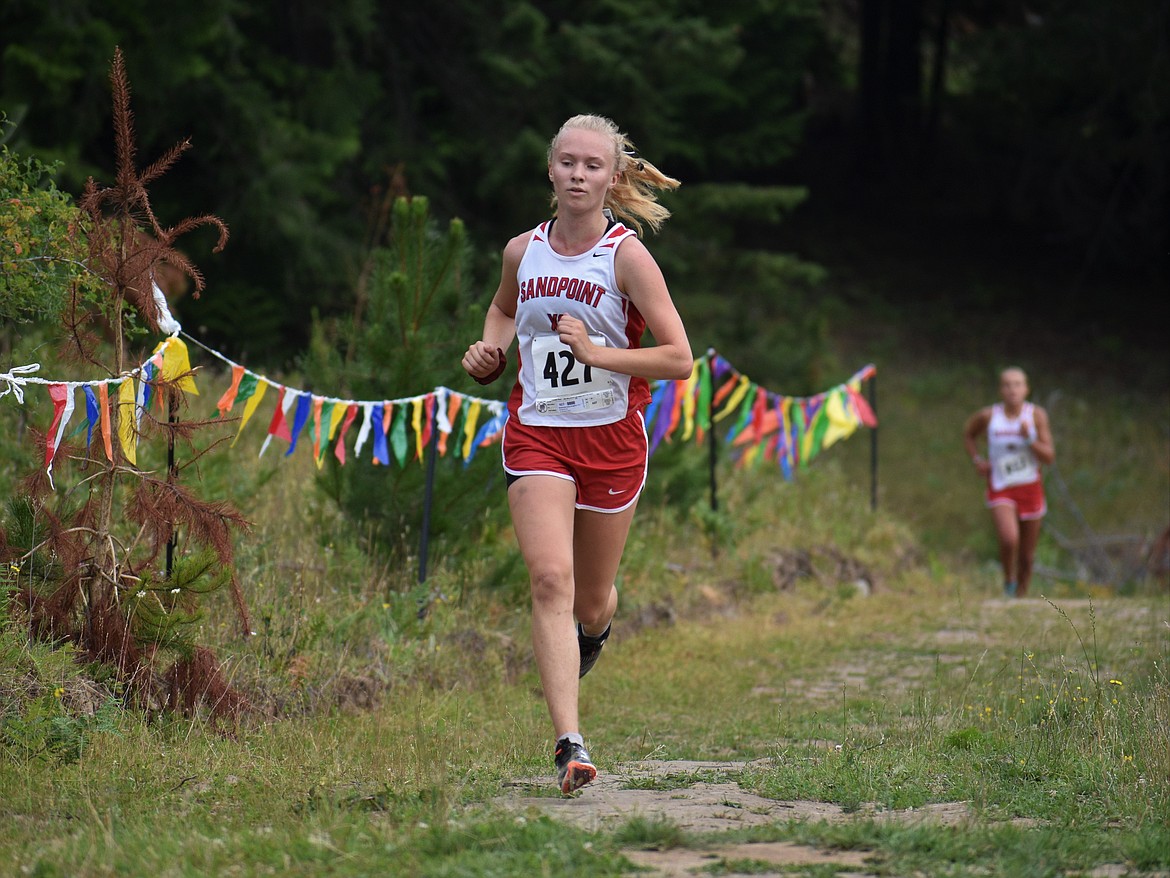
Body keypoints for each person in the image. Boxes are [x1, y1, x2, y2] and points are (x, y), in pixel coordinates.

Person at [462, 115, 692, 794]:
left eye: (593, 166)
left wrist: (597, 353)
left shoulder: (626, 258)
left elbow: (678, 358)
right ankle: (570, 745)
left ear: (612, 177)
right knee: (549, 582)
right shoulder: (520, 251)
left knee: (589, 600)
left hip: (611, 441)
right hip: (536, 431)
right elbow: (503, 312)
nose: (578, 175)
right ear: (551, 169)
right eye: (567, 163)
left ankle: (592, 633)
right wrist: (491, 349)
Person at [963, 367, 1056, 598]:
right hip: (1000, 486)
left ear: (1026, 389)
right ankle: (1009, 581)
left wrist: (1030, 439)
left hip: (1030, 487)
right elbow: (968, 434)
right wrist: (977, 460)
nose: (1012, 389)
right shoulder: (989, 416)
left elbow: (1049, 457)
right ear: (1000, 390)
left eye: (1017, 384)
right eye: (1007, 384)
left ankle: (1020, 597)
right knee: (1009, 538)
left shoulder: (1035, 416)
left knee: (1027, 555)